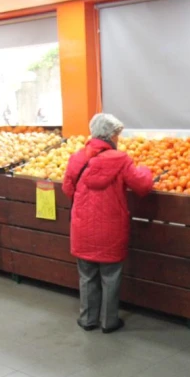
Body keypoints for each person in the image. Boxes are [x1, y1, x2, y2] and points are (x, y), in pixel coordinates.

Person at [63, 114, 153, 333]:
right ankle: (109, 322)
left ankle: (87, 319)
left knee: (87, 276)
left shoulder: (77, 158)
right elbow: (142, 186)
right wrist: (146, 170)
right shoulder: (121, 160)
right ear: (112, 136)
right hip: (111, 229)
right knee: (110, 276)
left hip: (82, 228)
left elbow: (67, 189)